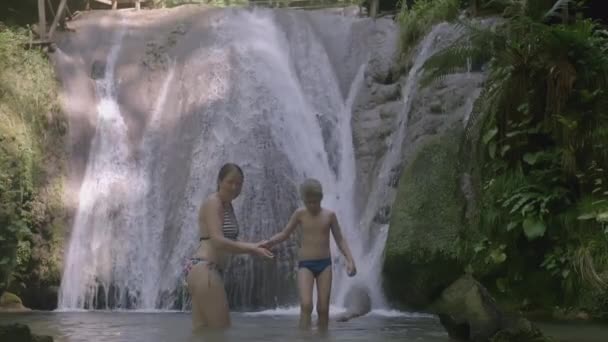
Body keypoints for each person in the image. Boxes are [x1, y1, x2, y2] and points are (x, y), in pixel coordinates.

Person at [184, 163, 274, 331]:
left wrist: (256, 245)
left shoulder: (227, 205)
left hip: (204, 270)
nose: (234, 187)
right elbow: (217, 241)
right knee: (221, 331)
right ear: (219, 181)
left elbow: (228, 242)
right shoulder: (214, 202)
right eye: (230, 182)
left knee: (202, 333)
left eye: (239, 184)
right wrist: (252, 248)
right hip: (205, 269)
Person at [260, 178, 357, 330]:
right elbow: (285, 233)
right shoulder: (300, 214)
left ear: (321, 198)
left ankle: (322, 337)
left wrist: (350, 260)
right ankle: (304, 337)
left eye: (315, 202)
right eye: (309, 202)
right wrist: (269, 242)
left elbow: (340, 239)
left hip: (325, 265)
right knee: (306, 305)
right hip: (305, 265)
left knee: (323, 308)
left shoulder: (329, 215)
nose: (312, 205)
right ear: (304, 200)